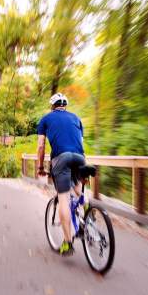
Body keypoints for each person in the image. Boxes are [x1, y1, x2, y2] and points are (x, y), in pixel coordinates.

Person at [37, 92, 85, 256]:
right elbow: (79, 142)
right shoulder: (76, 118)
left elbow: (41, 146)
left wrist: (40, 167)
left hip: (61, 159)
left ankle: (67, 242)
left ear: (53, 106)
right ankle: (86, 214)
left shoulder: (46, 119)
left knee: (63, 198)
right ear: (65, 106)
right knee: (78, 190)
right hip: (80, 158)